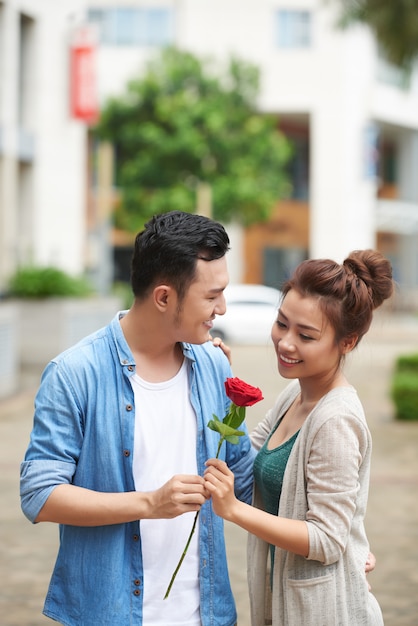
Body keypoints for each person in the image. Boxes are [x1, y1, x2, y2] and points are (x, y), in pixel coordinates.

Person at [20, 210, 256, 626]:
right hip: (109, 613)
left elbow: (245, 478)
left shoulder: (215, 366)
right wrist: (149, 503)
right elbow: (39, 494)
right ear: (164, 297)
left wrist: (336, 539)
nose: (221, 308)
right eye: (211, 295)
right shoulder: (75, 373)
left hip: (208, 614)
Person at [204, 249, 393, 626]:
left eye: (306, 335)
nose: (286, 343)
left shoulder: (335, 420)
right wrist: (217, 379)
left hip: (325, 612)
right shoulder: (296, 394)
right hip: (285, 602)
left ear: (347, 342)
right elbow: (246, 460)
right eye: (281, 323)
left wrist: (234, 511)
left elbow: (326, 539)